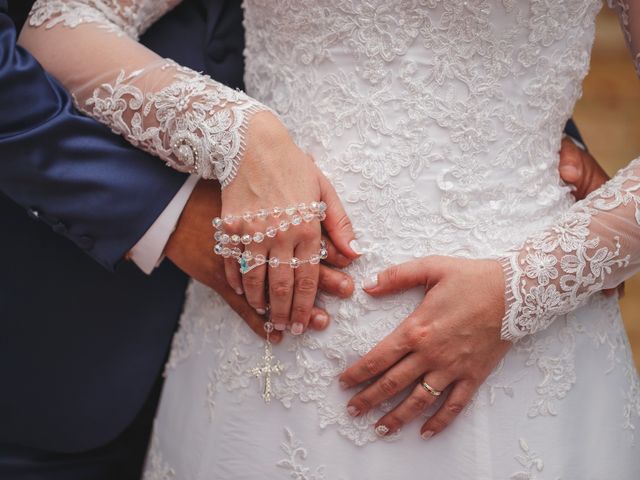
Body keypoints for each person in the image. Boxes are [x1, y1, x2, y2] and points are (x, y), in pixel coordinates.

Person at [15, 0, 640, 478]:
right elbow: (60, 24)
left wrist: (531, 285)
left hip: (524, 350)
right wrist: (240, 137)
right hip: (263, 348)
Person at [0, 2, 356, 479]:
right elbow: (55, 27)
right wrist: (195, 186)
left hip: (214, 354)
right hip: (61, 329)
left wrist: (496, 297)